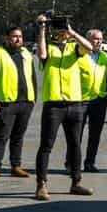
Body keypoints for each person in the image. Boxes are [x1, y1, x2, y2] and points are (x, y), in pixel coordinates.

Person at [34, 13, 96, 200]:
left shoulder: (73, 49)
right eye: (59, 28)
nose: (61, 31)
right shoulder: (50, 48)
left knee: (75, 144)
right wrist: (42, 28)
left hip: (74, 103)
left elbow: (90, 47)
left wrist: (72, 33)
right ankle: (41, 184)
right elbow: (42, 54)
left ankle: (76, 182)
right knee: (46, 145)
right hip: (54, 104)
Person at [0, 27, 36, 183]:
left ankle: (15, 166)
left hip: (25, 102)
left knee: (18, 136)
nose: (18, 39)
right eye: (14, 36)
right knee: (1, 137)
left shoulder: (26, 53)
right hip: (6, 103)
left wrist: (33, 98)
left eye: (20, 36)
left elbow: (32, 76)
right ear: (6, 38)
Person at [79, 28, 107, 173]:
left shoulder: (105, 56)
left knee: (95, 134)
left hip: (99, 100)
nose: (98, 41)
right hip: (81, 100)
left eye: (100, 39)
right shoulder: (80, 55)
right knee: (76, 135)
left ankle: (90, 162)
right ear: (87, 40)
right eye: (95, 39)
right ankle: (71, 163)